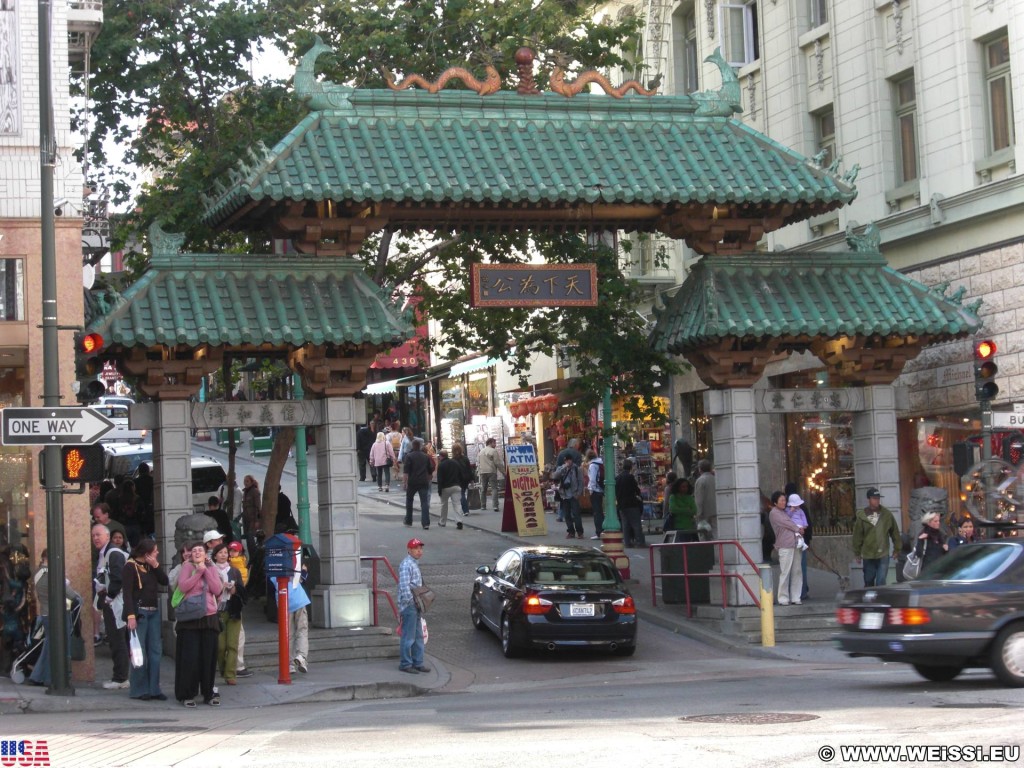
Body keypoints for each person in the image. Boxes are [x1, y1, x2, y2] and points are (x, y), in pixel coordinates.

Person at [174, 541, 224, 708]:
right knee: (190, 658)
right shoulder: (187, 567)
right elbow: (183, 586)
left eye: (200, 550)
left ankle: (209, 693)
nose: (196, 553)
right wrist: (198, 572)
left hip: (209, 617)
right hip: (190, 619)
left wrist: (206, 571)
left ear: (205, 553)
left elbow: (217, 589)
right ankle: (187, 694)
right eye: (193, 550)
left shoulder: (211, 567)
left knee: (208, 658)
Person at [121, 539, 169, 701]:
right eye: (155, 551)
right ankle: (139, 689)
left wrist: (156, 565)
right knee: (139, 651)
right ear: (146, 552)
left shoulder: (151, 566)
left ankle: (154, 688)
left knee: (155, 650)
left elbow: (165, 581)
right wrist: (130, 615)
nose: (157, 553)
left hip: (153, 611)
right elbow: (127, 593)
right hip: (139, 612)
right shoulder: (130, 566)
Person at [28, 549, 82, 688]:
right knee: (59, 647)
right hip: (58, 613)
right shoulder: (52, 573)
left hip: (46, 613)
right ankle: (52, 677)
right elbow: (70, 595)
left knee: (49, 645)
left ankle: (38, 676)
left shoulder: (39, 572)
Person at [92, 523, 130, 690]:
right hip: (112, 603)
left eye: (98, 535)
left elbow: (118, 578)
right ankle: (119, 676)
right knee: (115, 640)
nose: (95, 538)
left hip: (116, 604)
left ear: (107, 536)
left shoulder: (113, 553)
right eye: (93, 535)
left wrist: (108, 596)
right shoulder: (105, 553)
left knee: (118, 641)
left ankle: (120, 678)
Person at [851, 487, 902, 588]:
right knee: (868, 580)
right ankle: (870, 601)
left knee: (881, 581)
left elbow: (895, 532)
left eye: (878, 498)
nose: (877, 500)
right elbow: (857, 536)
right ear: (869, 499)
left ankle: (880, 600)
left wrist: (897, 549)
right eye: (874, 498)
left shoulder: (886, 514)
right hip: (868, 554)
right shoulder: (862, 516)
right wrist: (857, 553)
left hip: (883, 553)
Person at [210, 543, 244, 686]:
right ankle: (223, 669)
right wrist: (219, 588)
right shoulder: (210, 570)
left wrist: (235, 590)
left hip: (233, 609)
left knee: (233, 644)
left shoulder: (235, 571)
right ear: (215, 555)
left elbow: (243, 592)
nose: (223, 555)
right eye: (220, 552)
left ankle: (230, 674)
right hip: (217, 610)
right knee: (220, 646)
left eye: (225, 552)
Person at [396, 538, 429, 675]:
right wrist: (411, 602)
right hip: (410, 605)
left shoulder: (413, 564)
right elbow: (404, 587)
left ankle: (417, 662)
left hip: (415, 604)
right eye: (416, 549)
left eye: (420, 549)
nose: (419, 551)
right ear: (409, 550)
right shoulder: (406, 565)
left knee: (418, 635)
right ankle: (406, 664)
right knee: (409, 636)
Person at [768, 491, 804, 606]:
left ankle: (795, 597)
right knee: (785, 572)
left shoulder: (785, 512)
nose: (784, 502)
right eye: (782, 500)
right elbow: (787, 523)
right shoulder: (774, 513)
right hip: (784, 545)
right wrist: (797, 529)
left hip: (795, 544)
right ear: (775, 502)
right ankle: (783, 598)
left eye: (785, 500)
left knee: (797, 571)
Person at [226, 541, 253, 678]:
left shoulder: (236, 564)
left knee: (237, 635)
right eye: (230, 550)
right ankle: (237, 665)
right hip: (232, 603)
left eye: (234, 551)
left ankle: (235, 664)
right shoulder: (240, 563)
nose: (231, 553)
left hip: (232, 601)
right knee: (238, 635)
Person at [552, 454, 585, 539]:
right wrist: (564, 468)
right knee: (567, 515)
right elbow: (555, 475)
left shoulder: (577, 469)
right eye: (566, 461)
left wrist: (578, 493)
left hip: (573, 495)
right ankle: (571, 532)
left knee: (576, 514)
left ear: (572, 460)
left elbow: (581, 482)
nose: (568, 462)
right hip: (564, 495)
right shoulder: (561, 468)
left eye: (569, 460)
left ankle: (580, 532)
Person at [615, 459, 646, 548]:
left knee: (625, 524)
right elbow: (636, 489)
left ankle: (627, 542)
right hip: (631, 503)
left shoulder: (618, 478)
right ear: (631, 467)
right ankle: (640, 542)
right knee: (636, 523)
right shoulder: (630, 477)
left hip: (621, 504)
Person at [403, 439, 433, 530]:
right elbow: (430, 469)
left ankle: (409, 520)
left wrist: (405, 483)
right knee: (424, 502)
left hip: (412, 481)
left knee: (409, 500)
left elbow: (406, 472)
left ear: (413, 446)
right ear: (420, 446)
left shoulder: (409, 456)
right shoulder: (425, 456)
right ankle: (425, 523)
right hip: (423, 481)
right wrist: (428, 478)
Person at [435, 450, 462, 528]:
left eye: (439, 457)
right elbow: (460, 474)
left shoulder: (441, 465)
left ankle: (442, 522)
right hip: (456, 486)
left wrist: (439, 490)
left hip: (445, 487)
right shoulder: (455, 463)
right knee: (457, 504)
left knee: (444, 505)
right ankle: (459, 521)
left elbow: (440, 479)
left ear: (441, 456)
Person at [693, 459, 717, 540]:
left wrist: (698, 514)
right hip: (716, 510)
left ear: (700, 469)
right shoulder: (715, 479)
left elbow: (699, 499)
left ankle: (707, 551)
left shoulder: (700, 480)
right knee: (715, 533)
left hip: (705, 513)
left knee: (703, 535)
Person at [477, 437, 501, 513]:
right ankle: (495, 506)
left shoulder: (481, 451)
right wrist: (504, 472)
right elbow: (498, 463)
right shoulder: (493, 451)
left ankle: (483, 505)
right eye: (494, 443)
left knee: (483, 489)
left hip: (482, 472)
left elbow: (478, 462)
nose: (495, 445)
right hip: (491, 471)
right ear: (490, 443)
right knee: (494, 488)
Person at [241, 474, 262, 555]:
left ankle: (253, 555)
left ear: (251, 482)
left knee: (250, 537)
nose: (245, 483)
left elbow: (258, 507)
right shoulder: (245, 492)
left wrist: (257, 520)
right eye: (244, 481)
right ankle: (251, 555)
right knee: (247, 537)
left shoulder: (255, 492)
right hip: (246, 518)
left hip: (253, 519)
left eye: (247, 481)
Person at [588, 451, 606, 540]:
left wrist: (591, 489)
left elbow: (592, 479)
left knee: (596, 512)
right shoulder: (600, 463)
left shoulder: (592, 465)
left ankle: (599, 532)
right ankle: (602, 529)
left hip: (595, 491)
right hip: (601, 489)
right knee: (600, 511)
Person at [133, 463, 155, 537]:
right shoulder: (153, 481)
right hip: (152, 507)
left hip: (140, 507)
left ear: (139, 471)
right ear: (148, 471)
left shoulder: (135, 482)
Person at [452, 442, 473, 518]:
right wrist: (471, 479)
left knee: (461, 495)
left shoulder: (453, 460)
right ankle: (465, 509)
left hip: (458, 479)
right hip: (465, 478)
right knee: (462, 493)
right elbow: (469, 469)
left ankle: (465, 510)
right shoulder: (465, 458)